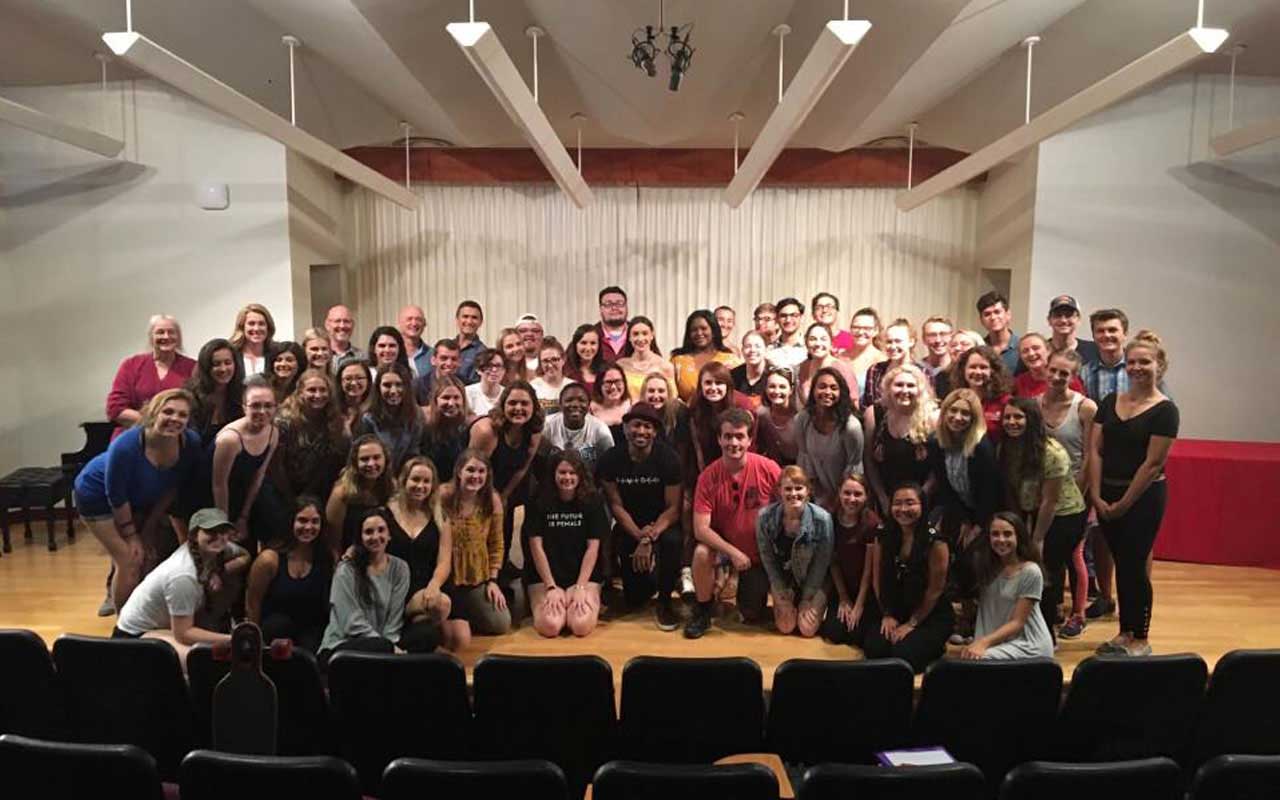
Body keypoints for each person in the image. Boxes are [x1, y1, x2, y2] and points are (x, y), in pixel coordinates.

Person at [1088, 331, 1177, 657]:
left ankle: (1140, 636)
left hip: (1142, 498)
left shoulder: (1166, 411)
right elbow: (1095, 450)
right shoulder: (1111, 401)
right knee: (1122, 565)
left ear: (1160, 366)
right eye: (1133, 362)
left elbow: (1152, 465)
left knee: (1134, 566)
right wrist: (1096, 495)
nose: (1137, 367)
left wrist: (1124, 503)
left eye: (1146, 362)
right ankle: (1124, 632)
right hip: (1106, 494)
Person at [74, 388, 202, 609]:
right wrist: (132, 536)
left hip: (138, 498)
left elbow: (171, 488)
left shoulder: (190, 443)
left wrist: (149, 529)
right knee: (129, 559)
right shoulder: (126, 445)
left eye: (182, 415)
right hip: (96, 495)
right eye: (168, 412)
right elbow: (116, 496)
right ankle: (123, 627)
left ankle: (140, 613)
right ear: (153, 413)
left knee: (149, 554)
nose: (175, 419)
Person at [685, 408, 782, 638]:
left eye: (740, 436)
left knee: (751, 613)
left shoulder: (768, 469)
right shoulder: (708, 476)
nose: (734, 442)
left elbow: (790, 509)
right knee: (700, 553)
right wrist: (733, 553)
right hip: (726, 549)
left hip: (758, 554)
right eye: (728, 436)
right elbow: (701, 529)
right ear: (719, 439)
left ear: (750, 440)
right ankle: (703, 610)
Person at [999, 397, 1088, 644]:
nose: (1012, 422)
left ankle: (1047, 634)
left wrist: (1037, 538)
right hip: (1033, 511)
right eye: (1008, 417)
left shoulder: (1052, 452)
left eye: (1018, 417)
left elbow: (1050, 501)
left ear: (1032, 420)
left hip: (1064, 515)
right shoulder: (1008, 446)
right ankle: (1035, 622)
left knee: (1045, 570)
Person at [113, 507, 249, 667]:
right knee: (203, 661)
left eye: (223, 531)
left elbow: (245, 556)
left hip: (165, 628)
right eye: (210, 532)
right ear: (194, 535)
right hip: (134, 637)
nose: (219, 537)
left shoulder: (219, 549)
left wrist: (220, 571)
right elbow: (184, 634)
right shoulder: (183, 576)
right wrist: (233, 639)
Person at [597, 403, 683, 629]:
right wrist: (638, 535)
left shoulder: (669, 459)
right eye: (636, 425)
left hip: (662, 523)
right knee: (636, 598)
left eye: (647, 427)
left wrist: (649, 538)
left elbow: (674, 507)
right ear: (625, 428)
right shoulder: (610, 459)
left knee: (673, 541)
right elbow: (615, 504)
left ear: (655, 431)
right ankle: (648, 581)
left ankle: (665, 601)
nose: (641, 431)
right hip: (630, 525)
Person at [469, 381, 544, 610]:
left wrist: (504, 496)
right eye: (512, 403)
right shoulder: (487, 431)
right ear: (503, 405)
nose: (518, 408)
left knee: (504, 530)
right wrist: (491, 497)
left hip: (505, 485)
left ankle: (498, 579)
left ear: (533, 407)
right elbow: (472, 469)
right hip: (476, 484)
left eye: (524, 403)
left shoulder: (534, 430)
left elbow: (523, 466)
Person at [862, 483, 952, 673]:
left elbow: (935, 590)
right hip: (895, 607)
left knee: (904, 655)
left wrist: (912, 623)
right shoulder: (883, 535)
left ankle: (935, 646)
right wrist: (886, 613)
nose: (903, 509)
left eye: (910, 503)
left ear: (922, 506)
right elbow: (876, 578)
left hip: (929, 613)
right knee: (874, 648)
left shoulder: (935, 541)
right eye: (898, 503)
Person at [1039, 348, 1097, 639]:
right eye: (1054, 370)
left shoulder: (1085, 407)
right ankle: (1053, 609)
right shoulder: (1035, 405)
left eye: (1065, 373)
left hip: (1076, 494)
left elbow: (1090, 453)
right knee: (1048, 555)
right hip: (1044, 494)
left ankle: (1078, 613)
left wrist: (1082, 494)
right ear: (1046, 369)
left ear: (1074, 377)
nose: (1058, 377)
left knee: (1073, 554)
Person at [525, 451, 607, 638]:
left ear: (580, 475)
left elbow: (593, 548)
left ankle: (576, 597)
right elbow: (536, 546)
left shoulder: (593, 501)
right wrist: (551, 587)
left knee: (580, 625)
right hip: (545, 575)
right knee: (550, 626)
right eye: (562, 472)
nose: (567, 477)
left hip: (582, 573)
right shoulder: (538, 500)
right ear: (553, 474)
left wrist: (580, 587)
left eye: (572, 473)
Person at [388, 457, 462, 652]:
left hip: (425, 584)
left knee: (449, 619)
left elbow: (444, 561)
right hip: (393, 587)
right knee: (437, 635)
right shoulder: (385, 512)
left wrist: (434, 585)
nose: (420, 486)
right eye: (415, 480)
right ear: (404, 480)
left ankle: (415, 636)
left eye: (426, 481)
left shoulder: (440, 516)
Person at [319, 507, 410, 660]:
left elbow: (394, 619)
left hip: (382, 644)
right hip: (343, 645)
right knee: (383, 647)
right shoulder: (346, 570)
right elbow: (351, 623)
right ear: (360, 537)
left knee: (425, 635)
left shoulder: (400, 568)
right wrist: (385, 647)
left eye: (381, 530)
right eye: (368, 532)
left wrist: (390, 647)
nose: (375, 536)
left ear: (389, 535)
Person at [960, 512, 1055, 660]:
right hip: (995, 642)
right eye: (995, 534)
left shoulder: (1030, 571)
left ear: (1019, 537)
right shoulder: (985, 567)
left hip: (1027, 645)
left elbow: (1018, 622)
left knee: (976, 662)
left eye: (1007, 534)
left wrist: (983, 643)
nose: (1001, 539)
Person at [436, 449, 510, 635]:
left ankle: (467, 613)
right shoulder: (442, 496)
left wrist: (493, 581)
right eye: (470, 470)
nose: (475, 476)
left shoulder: (492, 500)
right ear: (459, 471)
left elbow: (496, 543)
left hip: (476, 577)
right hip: (446, 578)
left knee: (500, 624)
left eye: (481, 471)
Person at [245, 496, 333, 653]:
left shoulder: (327, 558)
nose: (308, 527)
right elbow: (253, 603)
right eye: (302, 520)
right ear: (291, 521)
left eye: (315, 521)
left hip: (310, 633)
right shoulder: (269, 560)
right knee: (279, 626)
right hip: (274, 633)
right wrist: (255, 642)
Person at [756, 466, 833, 637]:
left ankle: (809, 603)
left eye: (799, 488)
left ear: (808, 491)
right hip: (784, 578)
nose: (794, 493)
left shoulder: (823, 519)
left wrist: (807, 597)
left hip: (813, 580)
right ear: (779, 491)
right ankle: (790, 604)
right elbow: (767, 558)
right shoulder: (764, 517)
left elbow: (821, 563)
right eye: (788, 489)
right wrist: (780, 590)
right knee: (786, 627)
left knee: (807, 630)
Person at [207, 375, 280, 549]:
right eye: (255, 405)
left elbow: (258, 475)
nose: (262, 411)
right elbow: (218, 485)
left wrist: (243, 517)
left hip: (242, 494)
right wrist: (223, 524)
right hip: (213, 499)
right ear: (244, 407)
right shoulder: (230, 439)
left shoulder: (273, 432)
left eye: (268, 406)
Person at [107, 314, 197, 438]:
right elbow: (115, 409)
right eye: (160, 332)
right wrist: (155, 424)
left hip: (176, 437)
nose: (166, 336)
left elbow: (197, 409)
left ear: (179, 337)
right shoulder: (131, 365)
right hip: (133, 436)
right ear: (151, 337)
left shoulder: (193, 367)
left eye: (171, 332)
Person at [270, 369, 349, 508]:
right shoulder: (283, 423)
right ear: (300, 392)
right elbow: (277, 467)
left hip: (323, 494)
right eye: (312, 390)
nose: (318, 395)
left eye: (323, 390)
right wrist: (291, 500)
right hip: (286, 493)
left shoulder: (337, 422)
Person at [864, 364, 937, 513]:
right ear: (888, 388)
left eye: (911, 385)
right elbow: (868, 461)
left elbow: (938, 468)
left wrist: (919, 499)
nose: (905, 390)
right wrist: (883, 499)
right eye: (899, 385)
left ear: (920, 389)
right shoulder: (874, 414)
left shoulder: (933, 417)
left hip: (924, 501)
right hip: (886, 501)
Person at [820, 471, 881, 647]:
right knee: (834, 633)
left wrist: (858, 605)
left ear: (866, 496)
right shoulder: (830, 520)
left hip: (865, 590)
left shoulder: (872, 523)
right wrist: (843, 597)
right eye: (847, 493)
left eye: (858, 494)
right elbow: (833, 562)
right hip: (842, 587)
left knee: (856, 635)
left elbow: (869, 571)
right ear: (839, 493)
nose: (852, 499)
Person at [795, 368, 864, 509]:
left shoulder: (851, 427)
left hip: (846, 499)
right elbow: (804, 459)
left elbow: (854, 470)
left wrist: (836, 500)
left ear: (841, 393)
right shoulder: (802, 419)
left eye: (833, 388)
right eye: (822, 387)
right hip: (815, 495)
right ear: (813, 391)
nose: (827, 392)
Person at [325, 434, 395, 554]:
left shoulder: (393, 487)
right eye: (364, 459)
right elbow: (333, 541)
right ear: (355, 463)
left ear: (385, 459)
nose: (371, 464)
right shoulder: (341, 493)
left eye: (376, 457)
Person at [354, 363, 423, 471]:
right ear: (378, 387)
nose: (393, 391)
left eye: (399, 385)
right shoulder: (366, 418)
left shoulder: (415, 416)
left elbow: (413, 454)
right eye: (387, 385)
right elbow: (362, 457)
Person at [670, 309, 739, 403]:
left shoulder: (731, 360)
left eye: (703, 328)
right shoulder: (678, 361)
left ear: (714, 331)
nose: (699, 333)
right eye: (694, 330)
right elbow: (671, 395)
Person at [186, 338, 245, 447]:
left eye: (228, 363)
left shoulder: (242, 395)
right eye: (216, 364)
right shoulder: (190, 397)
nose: (223, 369)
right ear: (206, 367)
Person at [946, 345, 1013, 442]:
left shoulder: (1005, 402)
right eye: (972, 367)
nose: (978, 372)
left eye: (983, 367)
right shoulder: (955, 399)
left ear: (993, 371)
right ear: (963, 370)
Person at [543, 383, 614, 471]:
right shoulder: (547, 425)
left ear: (588, 405)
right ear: (560, 404)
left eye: (581, 400)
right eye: (569, 400)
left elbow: (610, 465)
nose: (575, 404)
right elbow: (539, 461)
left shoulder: (600, 430)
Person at [796, 323, 859, 406]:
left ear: (831, 343)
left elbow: (853, 404)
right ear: (806, 343)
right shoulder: (802, 367)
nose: (818, 344)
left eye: (823, 339)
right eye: (813, 339)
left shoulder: (842, 369)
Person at [861, 318, 917, 410]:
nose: (893, 346)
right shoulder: (875, 370)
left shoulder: (923, 372)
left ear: (911, 342)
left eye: (898, 341)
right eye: (889, 342)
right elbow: (868, 407)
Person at [421, 376, 471, 480]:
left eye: (456, 398)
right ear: (435, 400)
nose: (451, 403)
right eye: (446, 397)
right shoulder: (423, 425)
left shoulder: (469, 427)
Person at [616, 316, 675, 400]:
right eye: (635, 334)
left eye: (645, 333)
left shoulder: (665, 366)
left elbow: (671, 399)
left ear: (652, 336)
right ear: (629, 338)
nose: (640, 338)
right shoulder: (620, 365)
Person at [753, 366, 800, 466]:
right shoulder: (761, 414)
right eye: (772, 386)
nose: (777, 391)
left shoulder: (800, 417)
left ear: (791, 390)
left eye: (782, 387)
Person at [1013, 333, 1085, 397]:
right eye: (1025, 351)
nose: (1031, 354)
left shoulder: (1066, 377)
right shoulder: (1019, 382)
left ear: (1048, 350)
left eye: (1036, 348)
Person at [843, 307, 887, 397]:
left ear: (876, 331)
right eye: (856, 327)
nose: (860, 332)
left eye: (867, 328)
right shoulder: (841, 357)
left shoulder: (882, 361)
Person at [976, 291, 1021, 375]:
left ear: (1008, 315)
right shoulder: (978, 349)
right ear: (981, 320)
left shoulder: (1022, 348)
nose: (993, 317)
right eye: (987, 314)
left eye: (997, 312)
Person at [1046, 294, 1099, 363]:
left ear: (1078, 319)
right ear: (1049, 320)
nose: (1063, 320)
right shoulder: (1039, 352)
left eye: (1069, 315)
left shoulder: (1094, 350)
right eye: (1057, 315)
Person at [637, 372, 686, 446]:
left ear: (668, 393)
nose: (656, 396)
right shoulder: (636, 414)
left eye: (661, 391)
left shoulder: (679, 412)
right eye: (651, 391)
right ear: (644, 394)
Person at [530, 337, 575, 413]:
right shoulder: (533, 387)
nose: (550, 365)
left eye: (554, 359)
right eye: (545, 361)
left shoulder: (573, 386)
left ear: (563, 359)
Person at [230, 303, 276, 376]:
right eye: (251, 323)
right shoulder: (232, 355)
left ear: (268, 327)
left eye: (261, 324)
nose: (256, 328)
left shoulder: (276, 355)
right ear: (242, 327)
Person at [730, 330, 769, 409]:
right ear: (742, 350)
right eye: (748, 346)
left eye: (757, 346)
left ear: (766, 350)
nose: (752, 350)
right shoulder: (733, 376)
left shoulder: (773, 375)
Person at [767, 297, 807, 371]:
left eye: (793, 315)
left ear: (801, 318)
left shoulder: (809, 348)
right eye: (783, 316)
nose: (788, 320)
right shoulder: (768, 350)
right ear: (777, 319)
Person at [335, 357, 374, 435]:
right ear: (340, 382)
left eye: (359, 378)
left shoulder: (376, 409)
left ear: (368, 381)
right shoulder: (333, 409)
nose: (353, 383)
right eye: (348, 378)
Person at [565, 324, 606, 396]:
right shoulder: (565, 371)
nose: (588, 348)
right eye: (583, 343)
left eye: (593, 343)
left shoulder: (606, 371)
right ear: (575, 345)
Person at [466, 347, 507, 418]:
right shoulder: (467, 393)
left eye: (498, 366)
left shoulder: (508, 394)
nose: (494, 370)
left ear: (504, 370)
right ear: (478, 370)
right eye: (489, 366)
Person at [452, 300, 487, 383]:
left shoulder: (483, 353)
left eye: (474, 318)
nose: (469, 321)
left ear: (481, 322)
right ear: (457, 319)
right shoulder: (445, 348)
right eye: (465, 316)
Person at [595, 286, 632, 362]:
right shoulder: (588, 335)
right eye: (608, 304)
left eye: (619, 303)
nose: (614, 308)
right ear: (600, 309)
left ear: (626, 307)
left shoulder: (640, 333)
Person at [589, 364, 632, 429]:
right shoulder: (589, 411)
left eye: (617, 381)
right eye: (608, 382)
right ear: (599, 385)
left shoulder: (632, 407)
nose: (613, 387)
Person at [325, 304, 363, 369]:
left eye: (346, 321)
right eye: (337, 321)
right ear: (327, 325)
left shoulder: (362, 357)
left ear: (353, 325)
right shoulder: (319, 356)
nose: (342, 326)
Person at [397, 304, 431, 376]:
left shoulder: (433, 355)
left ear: (424, 324)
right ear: (399, 323)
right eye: (409, 319)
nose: (414, 323)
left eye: (418, 319)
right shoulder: (391, 353)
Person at [919, 316, 954, 385]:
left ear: (951, 337)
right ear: (923, 339)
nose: (938, 340)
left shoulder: (959, 370)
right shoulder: (916, 370)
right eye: (932, 335)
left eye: (943, 334)